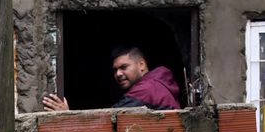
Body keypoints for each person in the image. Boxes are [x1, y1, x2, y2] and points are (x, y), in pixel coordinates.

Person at [42, 45, 183, 112]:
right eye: (115, 70)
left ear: (141, 65)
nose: (118, 74)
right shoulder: (157, 83)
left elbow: (109, 121)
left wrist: (66, 116)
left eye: (124, 67)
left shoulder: (147, 89)